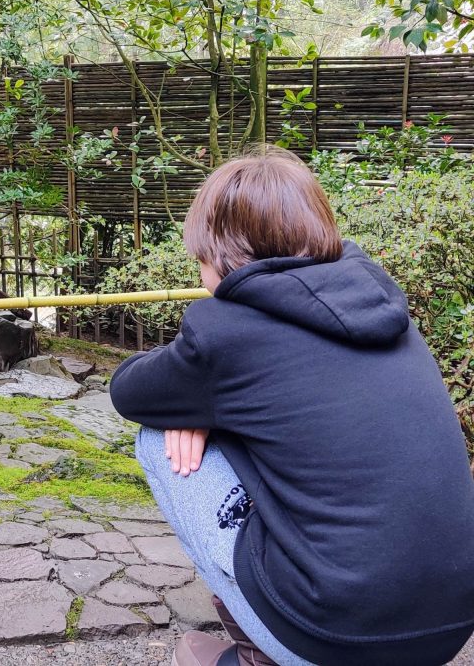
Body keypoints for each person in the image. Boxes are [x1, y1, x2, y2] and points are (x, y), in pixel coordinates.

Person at [109, 148, 474, 666]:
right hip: (450, 627)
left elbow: (129, 392)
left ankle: (262, 653)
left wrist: (192, 406)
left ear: (220, 253)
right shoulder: (384, 311)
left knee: (156, 439)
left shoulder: (224, 332)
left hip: (337, 636)